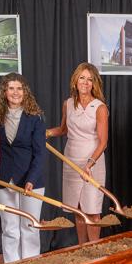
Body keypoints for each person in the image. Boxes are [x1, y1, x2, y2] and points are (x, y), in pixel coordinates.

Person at [47, 62, 108, 244]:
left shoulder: (100, 107)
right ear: (75, 80)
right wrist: (47, 133)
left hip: (92, 162)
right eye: (82, 78)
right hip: (71, 160)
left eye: (90, 79)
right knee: (78, 209)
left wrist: (89, 164)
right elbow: (64, 129)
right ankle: (83, 248)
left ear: (94, 84)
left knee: (92, 209)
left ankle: (94, 249)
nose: (85, 82)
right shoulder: (68, 104)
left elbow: (103, 142)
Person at [0, 73, 46, 262]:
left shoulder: (35, 117)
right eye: (11, 88)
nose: (15, 92)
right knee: (10, 228)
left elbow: (40, 153)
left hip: (31, 181)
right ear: (4, 92)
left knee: (30, 227)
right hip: (3, 180)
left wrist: (31, 180)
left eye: (19, 88)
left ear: (25, 92)